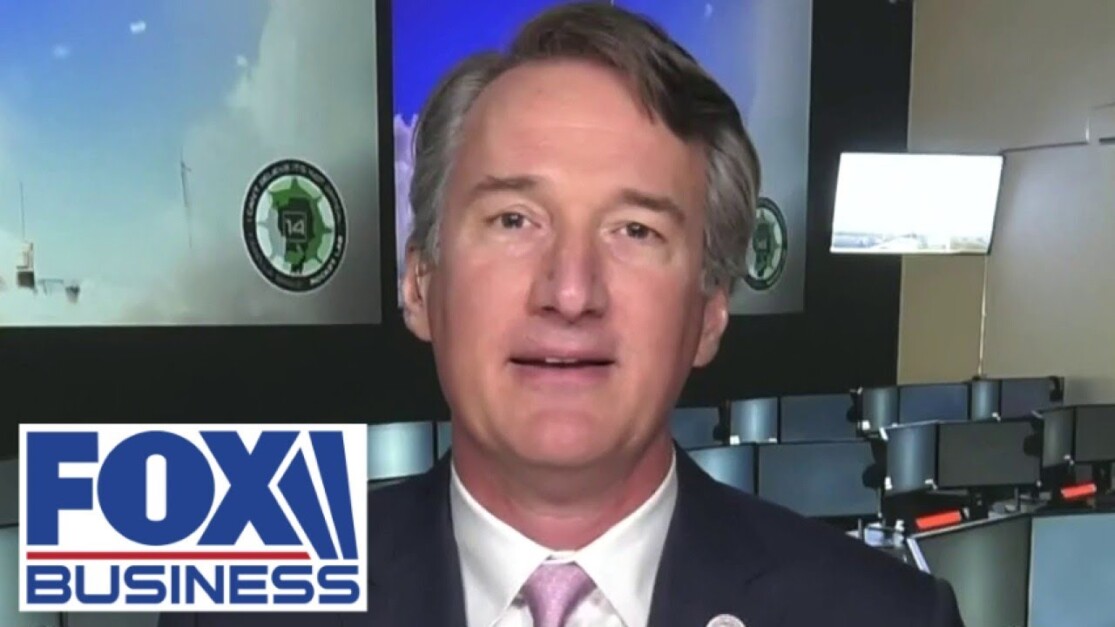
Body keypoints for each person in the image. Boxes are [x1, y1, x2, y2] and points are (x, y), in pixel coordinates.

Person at [159, 3, 964, 626]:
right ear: (419, 284)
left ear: (710, 310)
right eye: (513, 220)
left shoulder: (885, 616)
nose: (570, 291)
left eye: (635, 230)